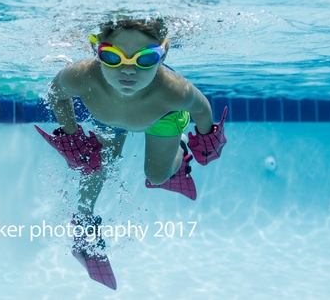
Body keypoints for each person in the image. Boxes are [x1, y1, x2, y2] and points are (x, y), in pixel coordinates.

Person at [34, 17, 227, 289]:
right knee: (94, 165)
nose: (128, 70)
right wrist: (72, 134)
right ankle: (84, 231)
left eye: (145, 59)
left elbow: (202, 107)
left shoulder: (173, 90)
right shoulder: (81, 75)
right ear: (97, 51)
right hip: (108, 118)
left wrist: (207, 136)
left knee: (157, 176)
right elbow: (56, 93)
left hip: (162, 118)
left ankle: (179, 152)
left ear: (163, 53)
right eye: (112, 57)